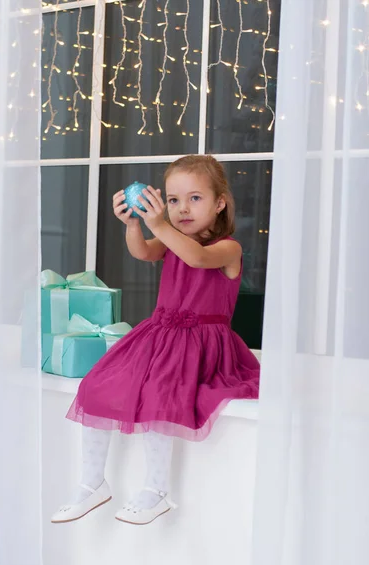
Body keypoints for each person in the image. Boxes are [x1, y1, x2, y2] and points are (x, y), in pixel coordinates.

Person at [51, 154, 260, 526]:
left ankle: (156, 489)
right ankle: (92, 482)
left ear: (220, 203)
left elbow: (195, 258)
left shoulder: (228, 248)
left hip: (201, 344)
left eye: (195, 198)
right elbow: (143, 251)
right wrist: (134, 224)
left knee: (160, 396)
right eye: (174, 199)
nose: (183, 209)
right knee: (98, 384)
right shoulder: (171, 238)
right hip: (160, 335)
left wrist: (159, 222)